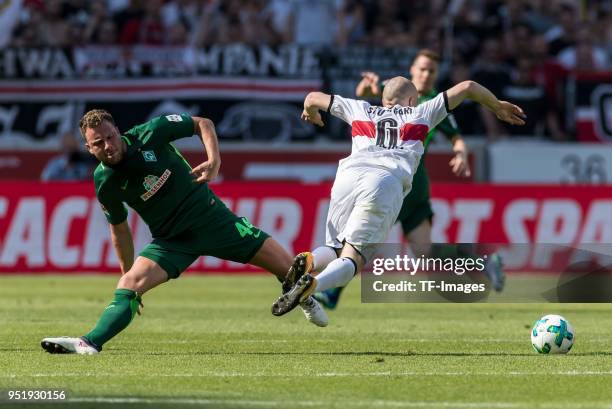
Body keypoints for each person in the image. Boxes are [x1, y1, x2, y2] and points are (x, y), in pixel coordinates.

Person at [41, 109, 327, 355]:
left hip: (213, 220)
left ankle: (304, 296)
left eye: (110, 137)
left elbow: (203, 123)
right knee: (128, 287)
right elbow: (119, 230)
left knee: (290, 269)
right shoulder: (104, 181)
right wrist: (126, 272)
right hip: (171, 241)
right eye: (98, 143)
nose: (107, 145)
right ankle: (88, 343)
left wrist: (214, 160)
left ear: (118, 130)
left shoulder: (151, 132)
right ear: (89, 149)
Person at [272, 77, 525, 319]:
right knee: (354, 257)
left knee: (335, 247)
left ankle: (311, 261)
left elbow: (313, 97)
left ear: (383, 99)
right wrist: (497, 107)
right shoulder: (422, 112)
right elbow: (468, 86)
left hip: (347, 178)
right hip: (384, 182)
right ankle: (314, 285)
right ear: (413, 100)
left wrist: (311, 111)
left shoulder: (361, 109)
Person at [315, 49, 505, 310]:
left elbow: (455, 136)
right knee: (359, 239)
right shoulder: (397, 90)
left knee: (419, 251)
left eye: (432, 71)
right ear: (412, 70)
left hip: (411, 183)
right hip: (387, 175)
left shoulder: (431, 104)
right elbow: (365, 98)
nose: (426, 74)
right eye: (423, 69)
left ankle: (481, 262)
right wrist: (366, 88)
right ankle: (330, 293)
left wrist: (460, 153)